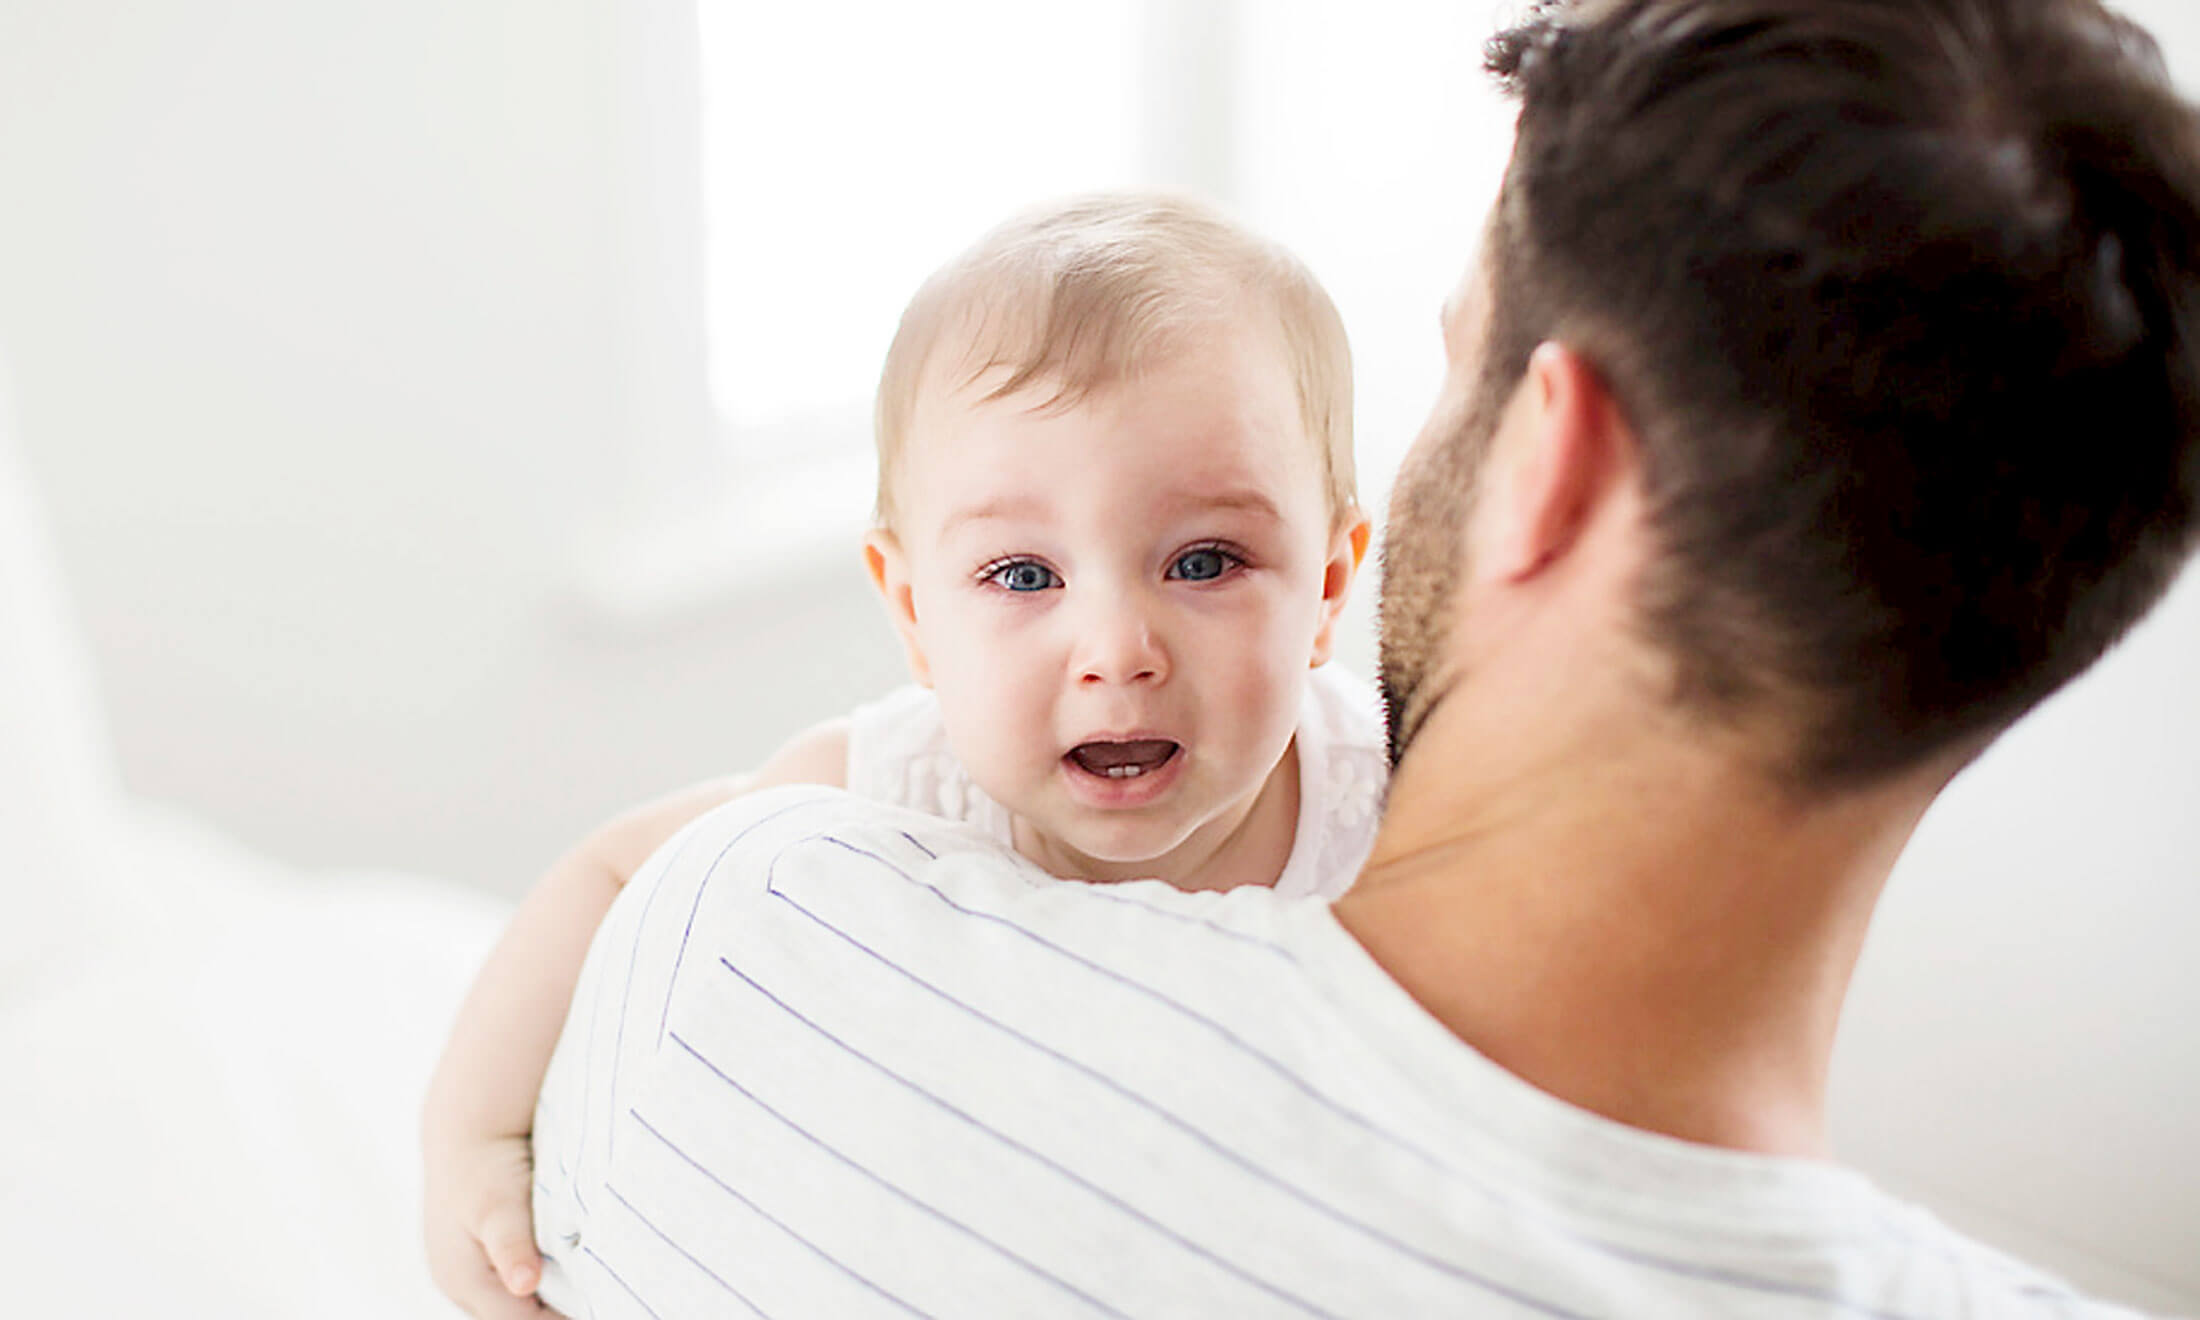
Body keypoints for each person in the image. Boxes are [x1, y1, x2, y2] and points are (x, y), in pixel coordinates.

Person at [518, 0, 2200, 1315]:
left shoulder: (737, 950)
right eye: (1024, 571)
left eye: (1461, 355)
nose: (1118, 643)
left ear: (1558, 464)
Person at [421, 194, 1385, 1315]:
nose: (1117, 651)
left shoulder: (1388, 803)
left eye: (1206, 561)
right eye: (1023, 577)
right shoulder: (884, 798)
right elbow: (616, 874)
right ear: (914, 613)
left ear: (1325, 588)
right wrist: (471, 1138)